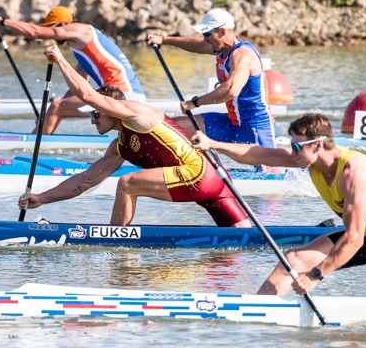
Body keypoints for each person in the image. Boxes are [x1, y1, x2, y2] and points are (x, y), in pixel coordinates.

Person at [18, 44, 251, 228]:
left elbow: (88, 94)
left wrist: (60, 60)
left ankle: (117, 244)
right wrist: (42, 198)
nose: (93, 120)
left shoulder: (138, 113)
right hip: (215, 179)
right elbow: (85, 181)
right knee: (241, 242)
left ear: (111, 108)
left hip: (200, 175)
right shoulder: (120, 146)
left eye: (96, 114)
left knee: (128, 183)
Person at [191, 113, 366, 298]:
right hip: (361, 235)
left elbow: (354, 239)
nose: (293, 153)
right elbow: (255, 154)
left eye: (298, 147)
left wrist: (315, 275)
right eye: (292, 147)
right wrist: (212, 144)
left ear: (318, 144)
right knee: (292, 261)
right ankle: (258, 313)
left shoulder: (353, 172)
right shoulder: (309, 160)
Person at [0, 6, 145, 134]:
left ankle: (31, 149)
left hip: (124, 95)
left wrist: (2, 21)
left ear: (63, 25)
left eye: (51, 28)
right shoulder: (84, 50)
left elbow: (34, 32)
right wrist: (49, 113)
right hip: (129, 96)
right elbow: (78, 86)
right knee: (57, 107)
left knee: (57, 107)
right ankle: (40, 137)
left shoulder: (82, 30)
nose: (51, 34)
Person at [146, 8, 275, 149]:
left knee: (267, 172)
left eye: (207, 34)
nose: (205, 39)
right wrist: (164, 40)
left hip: (255, 127)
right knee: (172, 127)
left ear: (223, 31)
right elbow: (197, 45)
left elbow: (231, 90)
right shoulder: (220, 48)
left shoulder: (243, 55)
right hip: (231, 123)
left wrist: (195, 102)